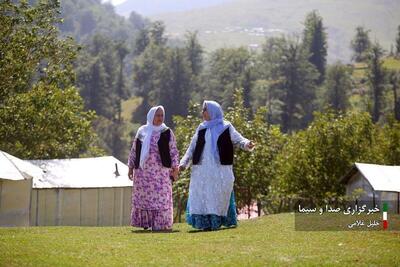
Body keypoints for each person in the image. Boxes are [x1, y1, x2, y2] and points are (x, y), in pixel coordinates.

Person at [180, 100, 255, 231]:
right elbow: (191, 148)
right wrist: (183, 163)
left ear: (213, 112)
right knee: (204, 195)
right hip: (202, 170)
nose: (203, 112)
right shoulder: (201, 128)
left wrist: (247, 143)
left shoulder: (226, 126)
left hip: (220, 169)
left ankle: (217, 221)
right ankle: (205, 224)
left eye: (205, 110)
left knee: (218, 194)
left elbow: (238, 139)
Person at [127, 106, 179, 231]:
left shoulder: (166, 132)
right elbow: (134, 150)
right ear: (151, 116)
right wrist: (130, 167)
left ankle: (160, 223)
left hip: (160, 173)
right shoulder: (142, 131)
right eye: (157, 115)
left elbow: (173, 151)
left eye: (162, 115)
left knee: (161, 198)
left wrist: (175, 168)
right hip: (142, 173)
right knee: (144, 198)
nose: (160, 118)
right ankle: (146, 222)